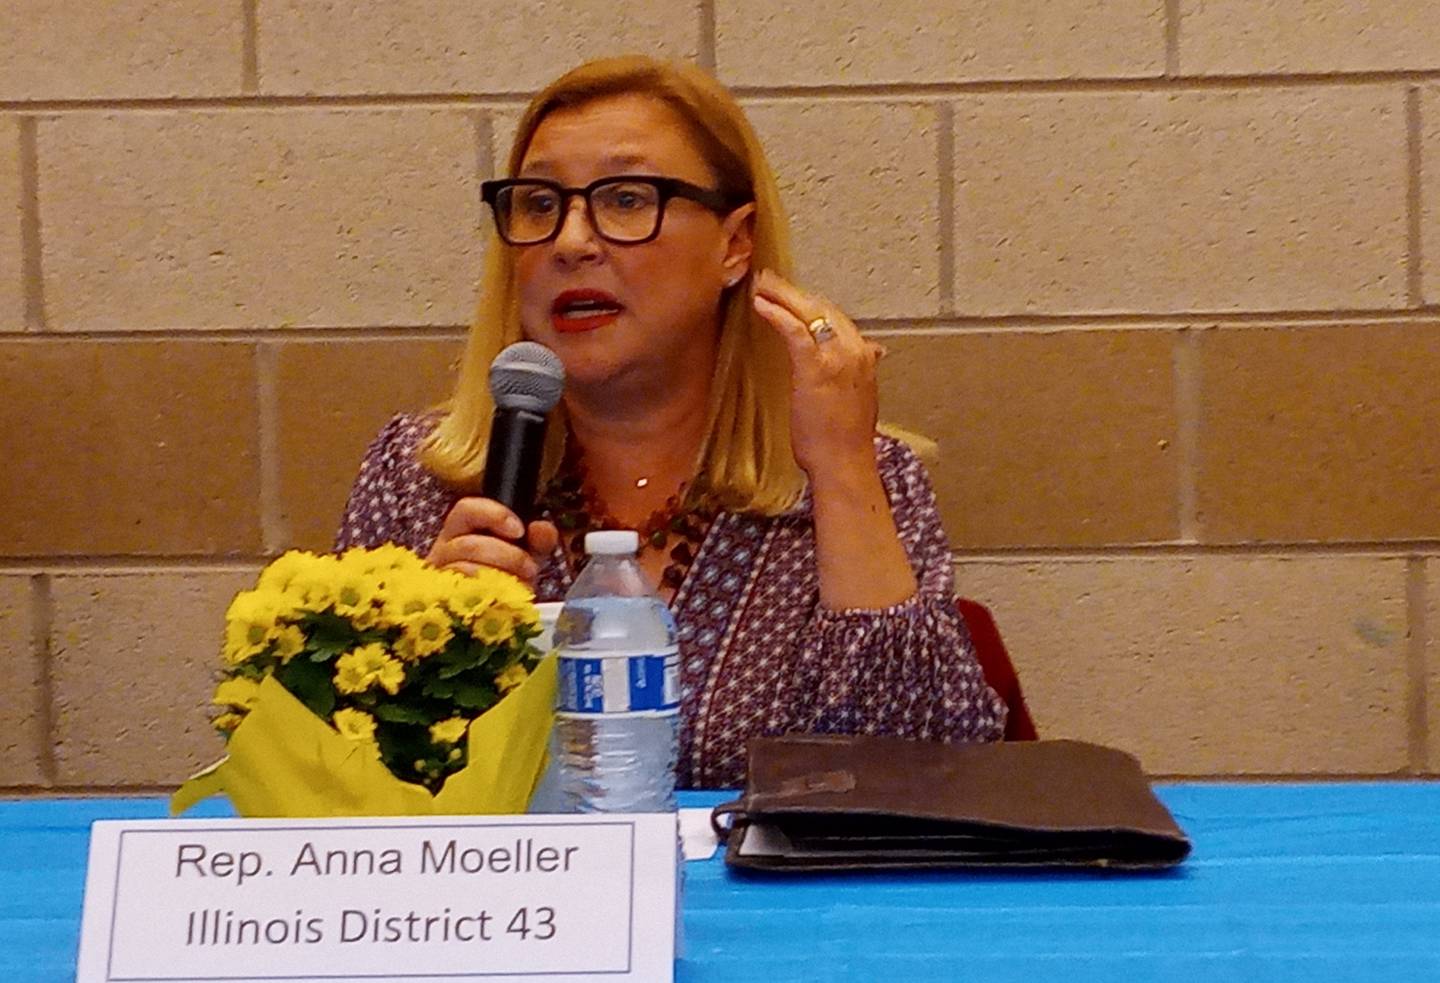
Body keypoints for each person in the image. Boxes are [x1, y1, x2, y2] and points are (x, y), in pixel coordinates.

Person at [337, 55, 1006, 788]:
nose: (570, 242)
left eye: (626, 199)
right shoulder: (418, 478)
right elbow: (330, 787)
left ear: (735, 244)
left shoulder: (858, 473)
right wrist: (421, 653)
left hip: (775, 905)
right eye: (538, 204)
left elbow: (933, 770)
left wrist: (843, 470)